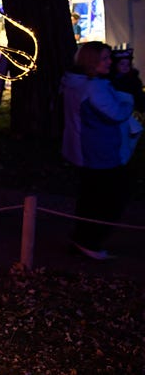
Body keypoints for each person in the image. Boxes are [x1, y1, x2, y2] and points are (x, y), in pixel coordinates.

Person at [61, 41, 139, 260]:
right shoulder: (93, 87)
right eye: (104, 58)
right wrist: (128, 96)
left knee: (90, 197)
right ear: (91, 62)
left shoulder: (75, 83)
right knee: (108, 199)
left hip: (88, 149)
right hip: (101, 152)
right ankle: (89, 240)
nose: (109, 62)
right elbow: (115, 113)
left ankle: (82, 238)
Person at [110, 48, 145, 112]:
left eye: (128, 64)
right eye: (122, 64)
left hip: (134, 109)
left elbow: (139, 96)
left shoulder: (134, 80)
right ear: (115, 65)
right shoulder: (111, 81)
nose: (125, 67)